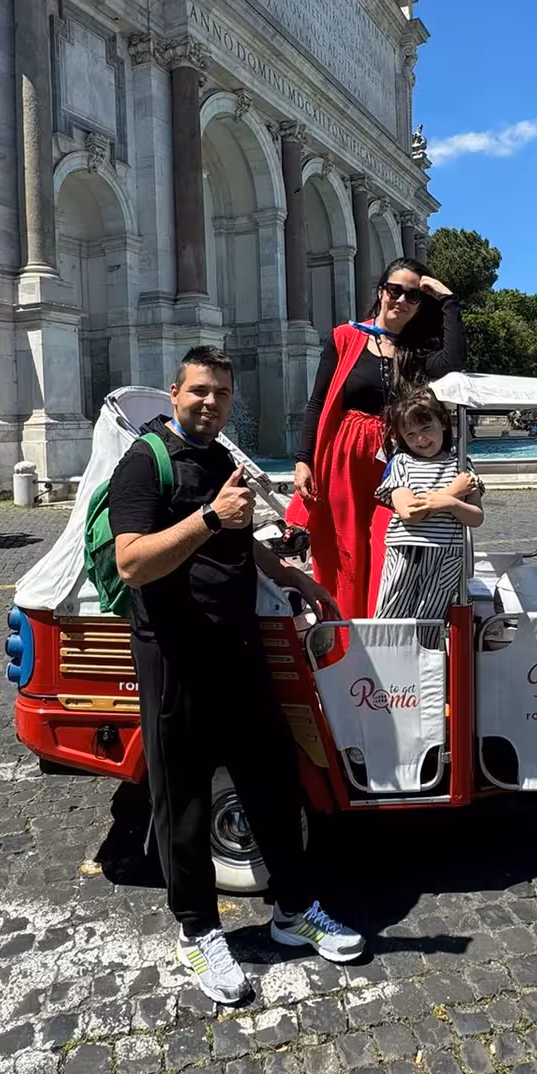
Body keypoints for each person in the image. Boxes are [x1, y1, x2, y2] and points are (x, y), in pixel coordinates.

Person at [109, 346, 363, 1006]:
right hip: (175, 654)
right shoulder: (144, 463)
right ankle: (198, 931)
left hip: (237, 648)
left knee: (273, 781)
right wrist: (210, 517)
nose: (209, 402)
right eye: (199, 390)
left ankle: (293, 912)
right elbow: (133, 562)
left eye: (221, 393)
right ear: (174, 393)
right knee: (185, 799)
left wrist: (291, 574)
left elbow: (239, 538)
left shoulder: (222, 459)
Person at [290, 260, 464, 618]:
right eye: (395, 290)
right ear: (381, 291)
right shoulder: (344, 337)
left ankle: (383, 630)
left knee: (390, 545)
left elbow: (453, 361)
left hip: (395, 461)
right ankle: (345, 636)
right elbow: (319, 401)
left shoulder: (415, 351)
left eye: (413, 295)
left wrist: (448, 300)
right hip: (345, 457)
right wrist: (303, 458)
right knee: (346, 549)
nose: (401, 300)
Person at [373, 390, 483, 627]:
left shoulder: (461, 464)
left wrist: (451, 503)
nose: (420, 440)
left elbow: (476, 517)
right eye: (411, 435)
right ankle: (385, 661)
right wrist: (450, 495)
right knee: (391, 613)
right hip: (407, 551)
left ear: (442, 423)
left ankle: (427, 662)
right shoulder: (403, 463)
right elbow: (408, 512)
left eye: (426, 429)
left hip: (448, 555)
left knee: (432, 618)